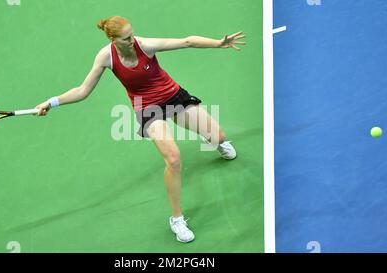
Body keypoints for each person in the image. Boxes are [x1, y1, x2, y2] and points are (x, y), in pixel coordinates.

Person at [35, 16, 246, 243]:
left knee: (218, 136)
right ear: (112, 39)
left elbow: (186, 41)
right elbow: (83, 90)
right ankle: (177, 219)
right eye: (126, 38)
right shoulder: (106, 57)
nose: (132, 40)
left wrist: (218, 43)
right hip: (147, 108)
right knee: (173, 160)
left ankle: (218, 143)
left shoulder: (144, 45)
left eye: (132, 34)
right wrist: (52, 102)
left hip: (173, 96)